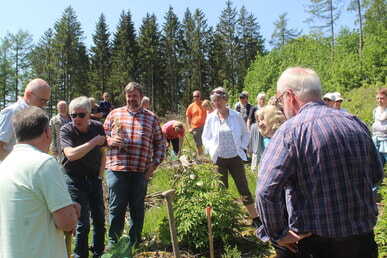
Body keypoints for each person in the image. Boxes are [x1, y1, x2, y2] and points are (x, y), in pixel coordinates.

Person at [256, 67, 383, 258]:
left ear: (289, 96)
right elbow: (376, 175)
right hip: (362, 242)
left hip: (316, 246)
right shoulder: (356, 123)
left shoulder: (290, 132)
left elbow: (266, 191)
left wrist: (277, 234)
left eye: (280, 99)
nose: (282, 106)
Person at [0, 106, 80, 258]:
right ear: (47, 132)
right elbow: (66, 223)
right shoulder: (44, 163)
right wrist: (72, 213)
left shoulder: (4, 165)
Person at [103, 82, 165, 247]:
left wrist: (154, 164)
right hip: (116, 169)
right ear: (125, 97)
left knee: (137, 208)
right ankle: (114, 242)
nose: (132, 99)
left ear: (141, 97)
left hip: (140, 171)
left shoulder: (151, 118)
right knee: (116, 207)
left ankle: (134, 243)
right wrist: (110, 140)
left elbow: (160, 144)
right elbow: (102, 137)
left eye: (135, 96)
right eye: (129, 96)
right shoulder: (114, 114)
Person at [202, 87, 261, 228]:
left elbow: (245, 134)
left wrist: (242, 147)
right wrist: (211, 150)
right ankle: (224, 220)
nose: (217, 103)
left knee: (243, 187)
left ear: (225, 99)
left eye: (219, 100)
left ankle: (255, 218)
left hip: (235, 157)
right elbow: (205, 137)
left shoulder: (236, 116)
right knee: (220, 189)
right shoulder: (211, 118)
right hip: (219, 159)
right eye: (214, 101)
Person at [61, 96, 106, 258]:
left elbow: (102, 154)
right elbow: (71, 155)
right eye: (73, 115)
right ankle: (80, 255)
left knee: (99, 220)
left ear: (89, 114)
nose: (77, 119)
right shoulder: (66, 130)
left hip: (94, 179)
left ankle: (98, 252)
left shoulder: (97, 127)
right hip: (75, 180)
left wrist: (100, 177)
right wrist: (93, 141)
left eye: (81, 115)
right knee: (83, 223)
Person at [0, 78, 51, 161]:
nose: (44, 105)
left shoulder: (38, 116)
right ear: (28, 95)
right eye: (42, 100)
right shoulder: (11, 112)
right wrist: (21, 163)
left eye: (46, 101)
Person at [186, 90, 207, 155]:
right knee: (198, 144)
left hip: (205, 126)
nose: (196, 98)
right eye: (194, 96)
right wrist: (189, 128)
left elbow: (211, 112)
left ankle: (209, 157)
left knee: (208, 142)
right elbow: (188, 117)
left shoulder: (204, 104)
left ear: (200, 96)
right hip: (195, 128)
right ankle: (201, 158)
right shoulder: (191, 106)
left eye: (197, 96)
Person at [372, 87, 387, 166]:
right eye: (377, 98)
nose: (379, 100)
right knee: (377, 167)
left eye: (382, 98)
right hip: (377, 142)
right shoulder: (375, 111)